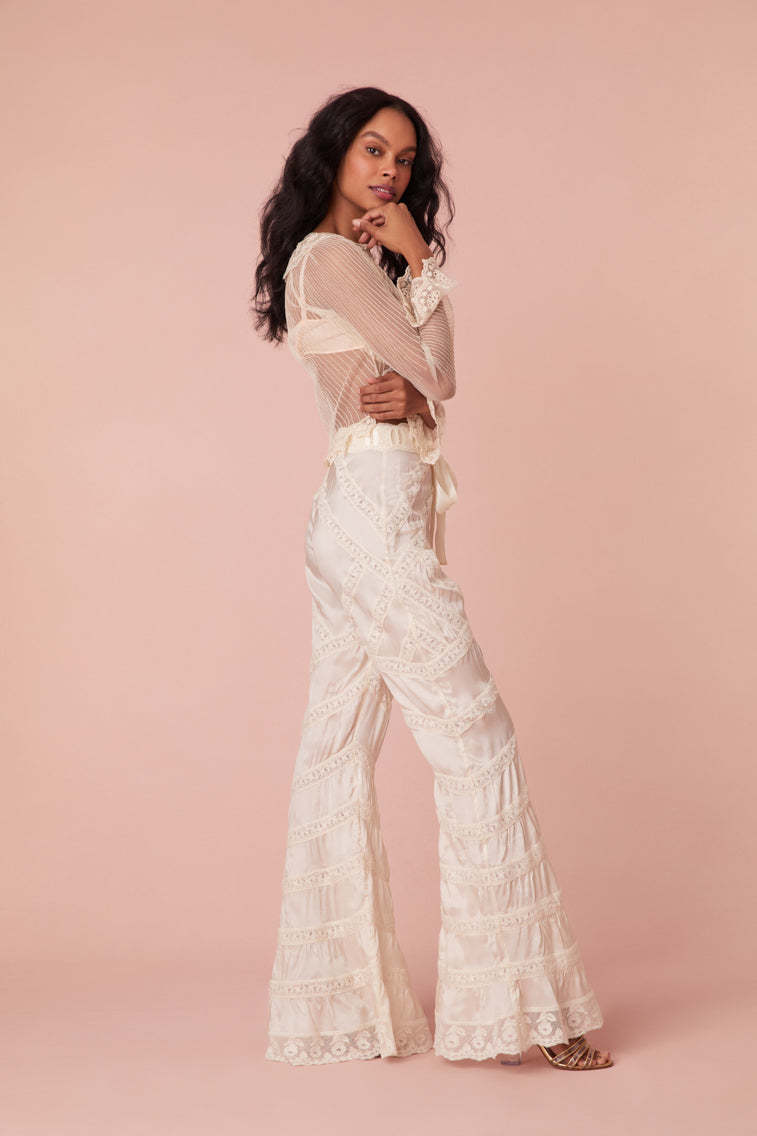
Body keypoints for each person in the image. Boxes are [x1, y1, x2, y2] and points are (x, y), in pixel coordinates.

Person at [251, 86, 613, 1071]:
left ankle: (337, 1010)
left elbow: (415, 388)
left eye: (405, 160)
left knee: (335, 751)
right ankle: (530, 1011)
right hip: (374, 528)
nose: (390, 172)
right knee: (477, 738)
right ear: (333, 154)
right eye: (373, 150)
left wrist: (413, 384)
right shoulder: (334, 258)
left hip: (358, 515)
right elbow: (438, 377)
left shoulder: (336, 263)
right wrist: (421, 265)